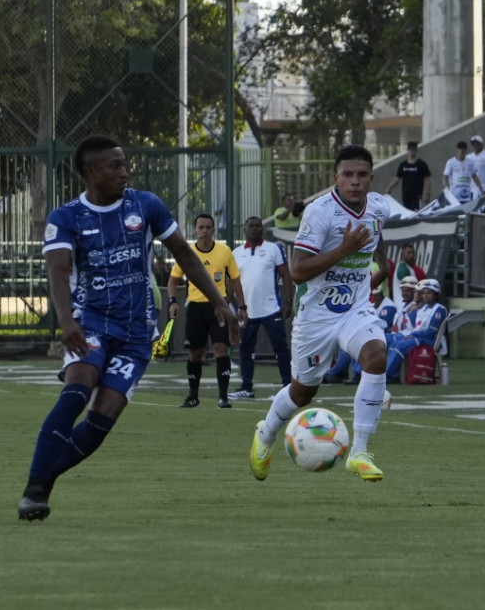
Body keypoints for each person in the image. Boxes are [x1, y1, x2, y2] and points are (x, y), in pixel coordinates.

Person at [17, 135, 240, 520]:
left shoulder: (145, 205)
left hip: (137, 333)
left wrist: (221, 302)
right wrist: (66, 320)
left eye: (124, 164)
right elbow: (58, 269)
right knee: (77, 391)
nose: (125, 171)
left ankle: (43, 478)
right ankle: (35, 491)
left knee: (100, 422)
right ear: (91, 173)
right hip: (89, 322)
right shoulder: (66, 218)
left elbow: (184, 254)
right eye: (115, 166)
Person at [248, 144, 391, 483]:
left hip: (355, 308)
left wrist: (379, 269)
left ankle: (359, 452)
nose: (355, 181)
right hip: (316, 317)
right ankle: (266, 434)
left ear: (371, 179)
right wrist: (345, 249)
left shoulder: (380, 207)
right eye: (348, 175)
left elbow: (374, 239)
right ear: (335, 178)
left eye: (362, 175)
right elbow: (297, 271)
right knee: (303, 391)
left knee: (376, 356)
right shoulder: (319, 212)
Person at [168, 213, 247, 409]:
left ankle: (223, 397)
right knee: (195, 353)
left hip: (218, 307)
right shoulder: (186, 252)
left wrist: (242, 306)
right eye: (200, 227)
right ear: (194, 230)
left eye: (208, 227)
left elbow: (235, 280)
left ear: (213, 230)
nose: (204, 231)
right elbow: (173, 279)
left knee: (221, 348)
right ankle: (193, 396)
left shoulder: (224, 251)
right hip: (195, 307)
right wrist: (172, 301)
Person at [228, 216, 293, 401]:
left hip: (272, 309)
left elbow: (286, 275)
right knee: (246, 349)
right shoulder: (236, 253)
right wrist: (233, 305)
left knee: (280, 348)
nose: (255, 229)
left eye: (258, 226)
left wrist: (288, 301)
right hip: (247, 311)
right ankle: (247, 388)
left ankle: (287, 388)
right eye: (251, 226)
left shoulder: (273, 249)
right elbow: (231, 282)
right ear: (244, 230)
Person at [384, 278, 448, 382]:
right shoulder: (423, 308)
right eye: (424, 293)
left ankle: (386, 376)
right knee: (394, 343)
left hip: (431, 341)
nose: (425, 295)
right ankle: (392, 376)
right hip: (419, 338)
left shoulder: (439, 309)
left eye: (429, 293)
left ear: (436, 294)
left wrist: (413, 335)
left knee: (399, 345)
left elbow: (431, 332)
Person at [386, 141, 432, 211]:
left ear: (417, 151)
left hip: (417, 196)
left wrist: (427, 193)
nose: (412, 152)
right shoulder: (403, 164)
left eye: (413, 150)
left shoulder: (421, 164)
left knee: (414, 214)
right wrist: (390, 187)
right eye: (410, 150)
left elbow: (427, 179)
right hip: (405, 195)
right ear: (407, 151)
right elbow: (397, 177)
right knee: (406, 215)